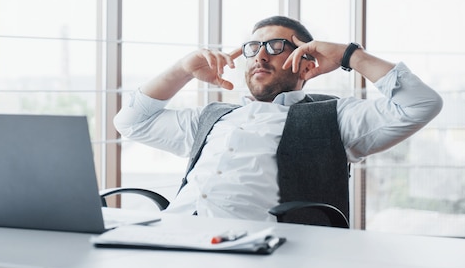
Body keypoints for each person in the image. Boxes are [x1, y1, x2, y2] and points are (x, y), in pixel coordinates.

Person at [113, 16, 443, 222]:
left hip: (261, 254)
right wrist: (182, 69)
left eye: (275, 46)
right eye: (253, 47)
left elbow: (420, 104)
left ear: (305, 60)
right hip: (175, 236)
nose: (260, 54)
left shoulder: (334, 118)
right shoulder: (212, 117)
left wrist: (349, 55)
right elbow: (131, 122)